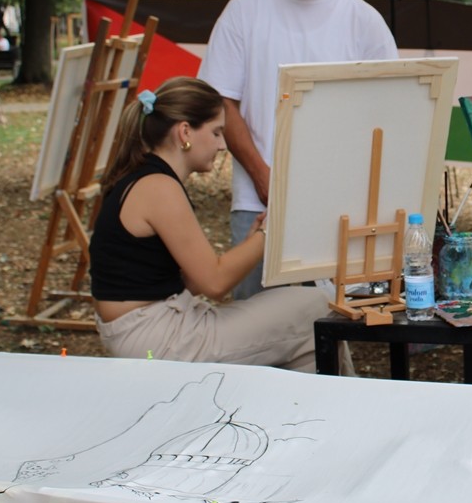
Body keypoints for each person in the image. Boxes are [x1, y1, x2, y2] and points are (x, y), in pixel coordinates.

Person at [199, 0, 398, 299]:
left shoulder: (364, 22)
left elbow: (386, 115)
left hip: (342, 208)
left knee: (330, 322)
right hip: (258, 202)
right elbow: (223, 104)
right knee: (252, 327)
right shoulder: (244, 12)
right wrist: (262, 175)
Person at [89, 77, 348, 372]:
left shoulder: (146, 178)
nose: (223, 144)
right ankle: (335, 407)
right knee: (318, 306)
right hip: (155, 339)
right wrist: (270, 232)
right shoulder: (159, 187)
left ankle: (299, 409)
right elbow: (214, 283)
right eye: (216, 132)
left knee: (307, 335)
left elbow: (197, 281)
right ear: (185, 132)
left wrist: (255, 239)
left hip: (148, 331)